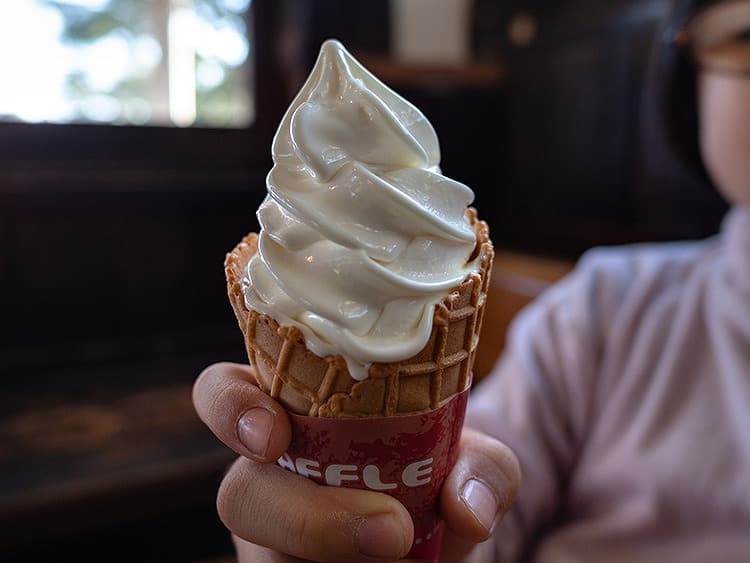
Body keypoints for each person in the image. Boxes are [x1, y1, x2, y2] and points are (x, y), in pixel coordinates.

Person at [192, 0, 750, 560]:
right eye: (746, 36)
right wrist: (370, 532)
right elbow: (481, 515)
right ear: (686, 77)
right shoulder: (603, 310)